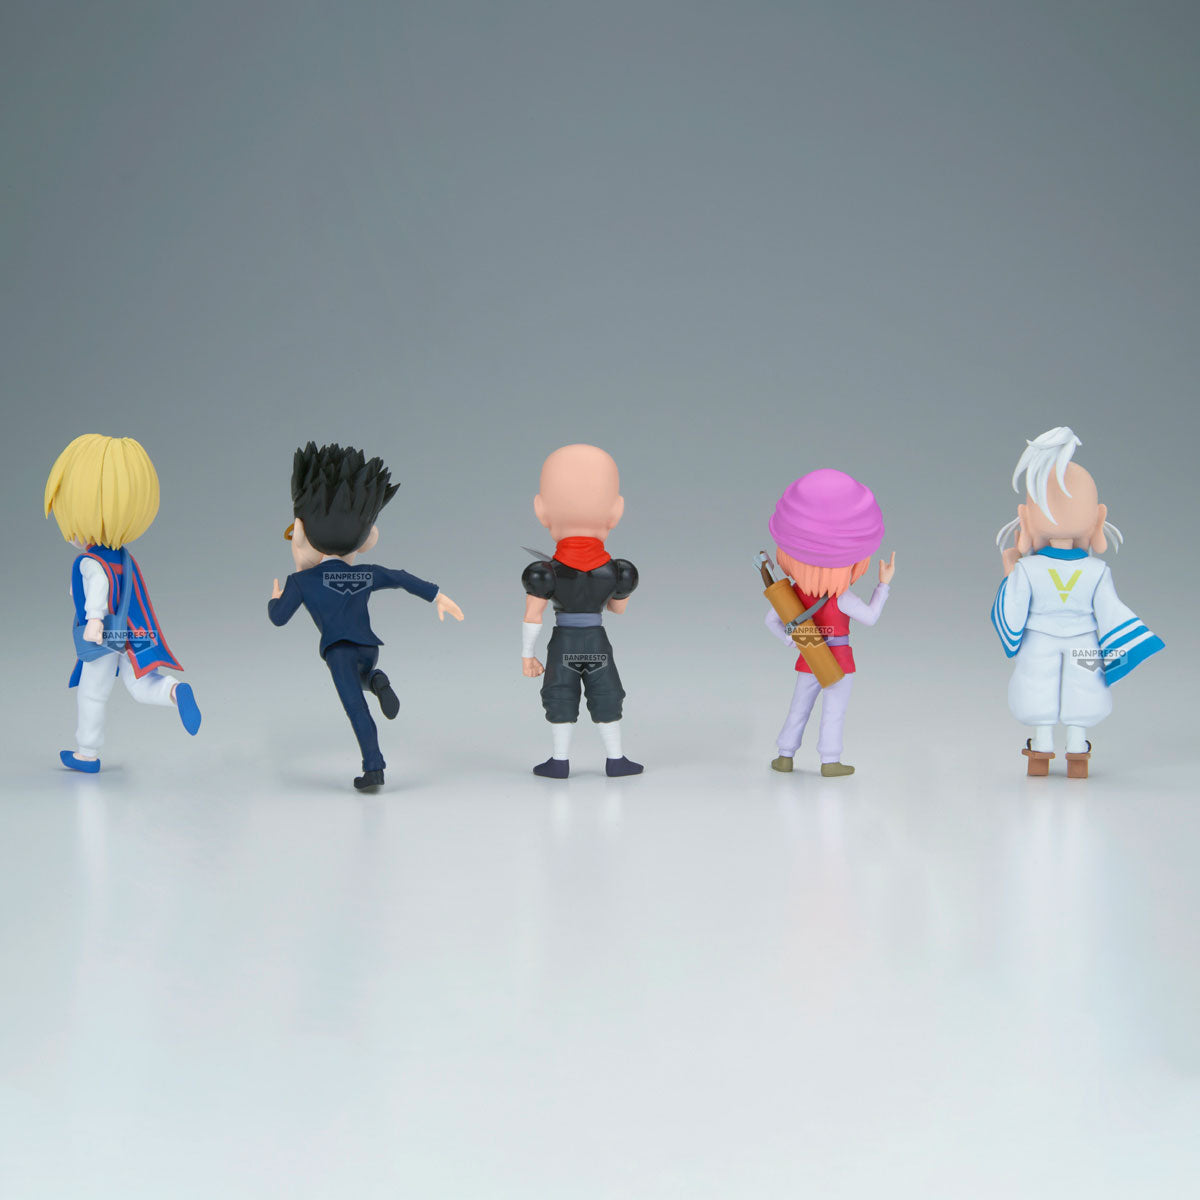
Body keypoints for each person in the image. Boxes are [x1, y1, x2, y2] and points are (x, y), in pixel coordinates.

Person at [268, 442, 464, 790]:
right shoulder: (364, 573)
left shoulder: (301, 582)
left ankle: (374, 768)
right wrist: (437, 596)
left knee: (356, 708)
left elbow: (279, 618)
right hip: (368, 649)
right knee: (362, 680)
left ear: (299, 530)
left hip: (339, 651)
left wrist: (275, 598)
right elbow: (400, 577)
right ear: (368, 538)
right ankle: (375, 680)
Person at [992, 426, 1163, 778]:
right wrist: (1126, 646)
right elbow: (1111, 612)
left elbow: (1013, 607)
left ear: (1025, 518)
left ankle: (1041, 748)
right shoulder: (1097, 570)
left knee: (1036, 683)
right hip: (1084, 640)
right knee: (1085, 686)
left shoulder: (1028, 569)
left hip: (1038, 641)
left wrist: (1010, 570)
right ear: (1098, 519)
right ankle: (1077, 747)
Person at [45, 434, 201, 773]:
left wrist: (94, 621)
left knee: (92, 693)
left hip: (103, 638)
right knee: (140, 684)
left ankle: (87, 754)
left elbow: (99, 588)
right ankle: (174, 691)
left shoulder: (90, 561)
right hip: (128, 634)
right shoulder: (124, 558)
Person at [521, 445, 641, 778]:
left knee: (560, 694)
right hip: (596, 640)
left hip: (564, 643)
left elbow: (533, 615)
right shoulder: (618, 571)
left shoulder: (544, 573)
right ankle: (616, 760)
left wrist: (527, 655)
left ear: (540, 510)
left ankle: (559, 762)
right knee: (606, 694)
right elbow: (618, 609)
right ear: (616, 512)